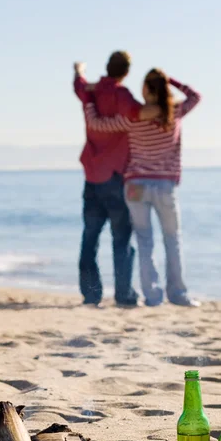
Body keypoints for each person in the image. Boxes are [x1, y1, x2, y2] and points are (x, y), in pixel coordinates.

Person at [77, 68, 201, 307]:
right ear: (164, 88)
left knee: (145, 240)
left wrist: (89, 100)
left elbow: (96, 124)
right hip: (164, 186)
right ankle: (178, 294)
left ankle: (152, 297)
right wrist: (171, 80)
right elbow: (195, 96)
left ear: (145, 89)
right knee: (172, 239)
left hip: (135, 186)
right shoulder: (174, 112)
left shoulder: (132, 117)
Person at [73, 52, 160, 307]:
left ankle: (91, 294)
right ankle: (123, 294)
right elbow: (141, 113)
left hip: (92, 177)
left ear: (108, 67)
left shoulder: (91, 93)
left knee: (90, 237)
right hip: (116, 178)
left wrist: (79, 70)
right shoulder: (123, 96)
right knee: (121, 239)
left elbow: (78, 85)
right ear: (126, 72)